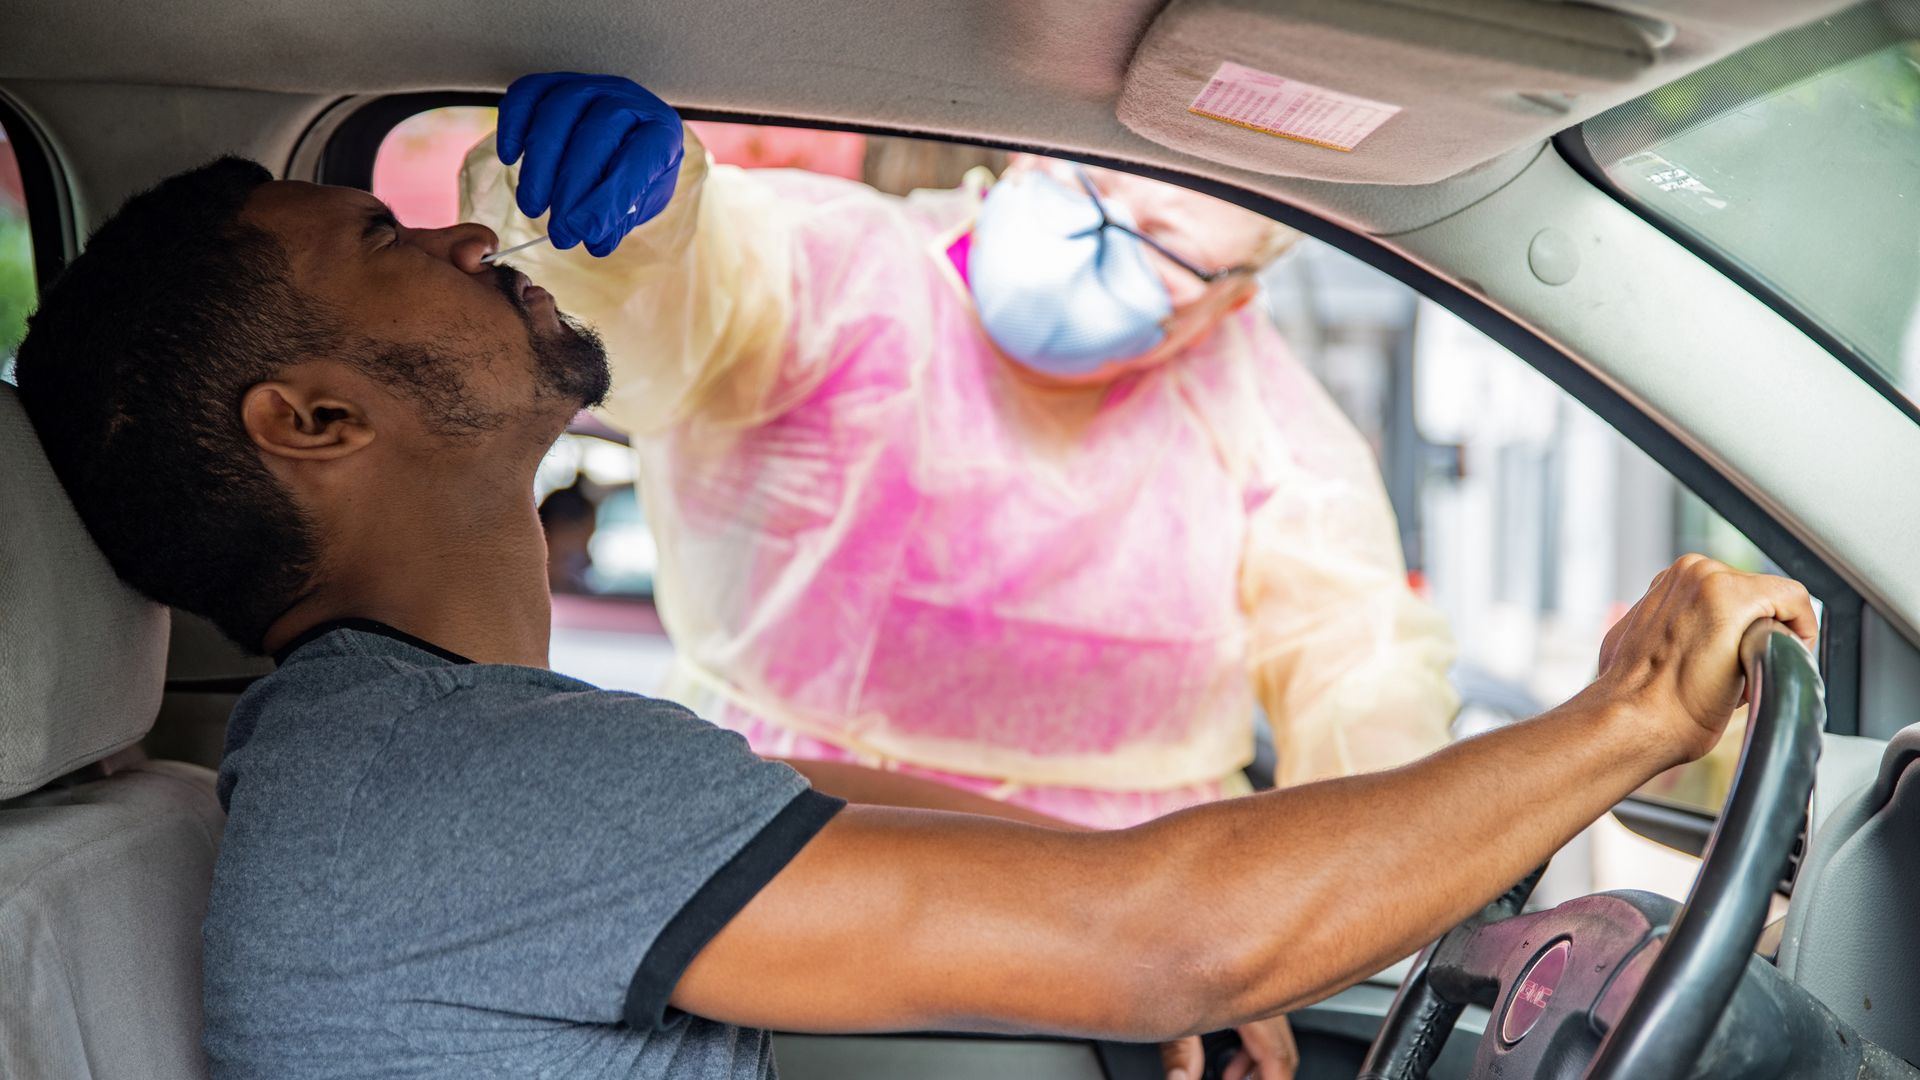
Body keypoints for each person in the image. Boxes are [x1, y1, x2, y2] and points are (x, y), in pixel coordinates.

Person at [12, 123, 1816, 1080]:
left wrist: (1148, 925)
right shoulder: (458, 788)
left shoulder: (417, 749)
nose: (471, 232)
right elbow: (1166, 936)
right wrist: (1635, 716)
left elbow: (872, 824)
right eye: (386, 245)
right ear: (314, 424)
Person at [459, 75, 1460, 839]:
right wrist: (640, 225)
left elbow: (1357, 657)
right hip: (783, 843)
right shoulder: (841, 267)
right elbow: (679, 303)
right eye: (1094, 182)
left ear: (1230, 296)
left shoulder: (1253, 398)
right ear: (1031, 156)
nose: (1106, 231)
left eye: (1165, 244)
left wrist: (1372, 871)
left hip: (1124, 914)